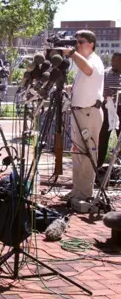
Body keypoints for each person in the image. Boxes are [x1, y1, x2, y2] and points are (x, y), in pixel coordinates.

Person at [62, 30, 104, 203]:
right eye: (75, 42)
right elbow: (87, 80)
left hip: (89, 112)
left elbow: (88, 70)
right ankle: (77, 190)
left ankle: (85, 193)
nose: (77, 45)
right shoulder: (85, 62)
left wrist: (71, 54)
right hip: (80, 112)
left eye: (80, 42)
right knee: (78, 154)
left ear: (91, 44)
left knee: (87, 155)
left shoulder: (93, 61)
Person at [97, 52, 121, 168]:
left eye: (116, 60)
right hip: (107, 108)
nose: (113, 62)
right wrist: (104, 94)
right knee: (102, 138)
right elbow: (98, 89)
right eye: (112, 60)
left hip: (120, 109)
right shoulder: (105, 74)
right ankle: (98, 167)